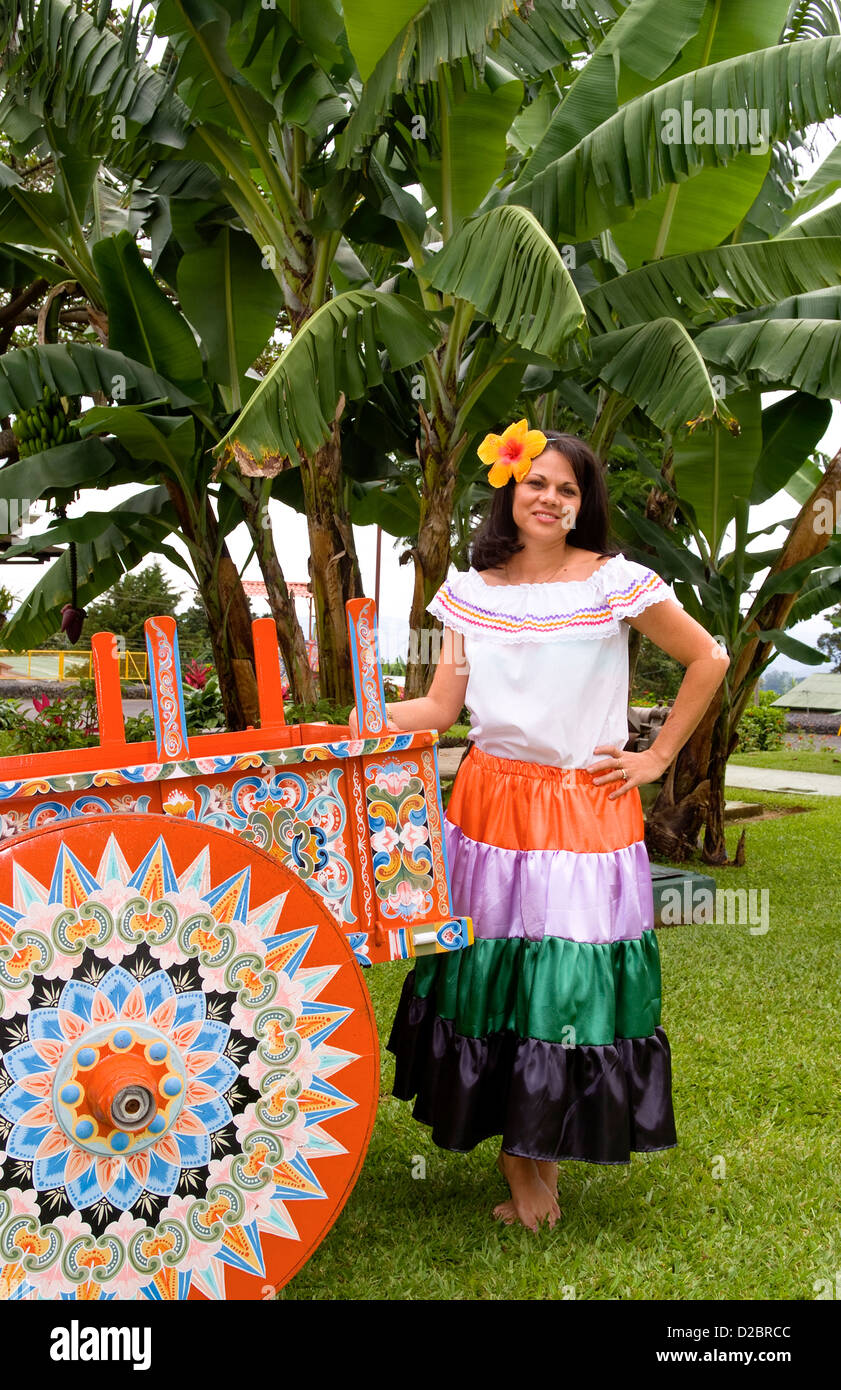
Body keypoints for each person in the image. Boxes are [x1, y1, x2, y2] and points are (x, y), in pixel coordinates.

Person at [350, 423, 729, 1233]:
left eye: (567, 487)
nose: (550, 499)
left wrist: (655, 756)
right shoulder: (470, 590)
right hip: (487, 804)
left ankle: (536, 1166)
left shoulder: (615, 582)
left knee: (563, 975)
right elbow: (443, 709)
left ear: (582, 502)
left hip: (582, 802)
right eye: (536, 484)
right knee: (494, 973)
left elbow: (709, 658)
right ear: (509, 493)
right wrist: (366, 714)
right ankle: (517, 1157)